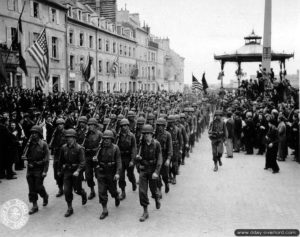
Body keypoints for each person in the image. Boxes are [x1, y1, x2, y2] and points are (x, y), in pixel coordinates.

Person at [58, 129, 87, 217]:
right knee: (67, 190)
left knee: (77, 190)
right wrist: (59, 170)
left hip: (76, 172)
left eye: (71, 137)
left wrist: (78, 171)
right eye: (67, 137)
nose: (69, 139)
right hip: (67, 171)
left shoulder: (79, 148)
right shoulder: (63, 148)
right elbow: (60, 161)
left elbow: (82, 162)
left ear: (74, 138)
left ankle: (83, 194)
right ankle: (70, 208)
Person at [136, 124, 162, 222]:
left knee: (153, 189)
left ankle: (156, 198)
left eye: (148, 133)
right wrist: (138, 161)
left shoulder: (156, 144)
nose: (146, 135)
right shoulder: (141, 145)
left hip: (152, 170)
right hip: (144, 169)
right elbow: (137, 157)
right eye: (145, 133)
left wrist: (156, 172)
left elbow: (159, 159)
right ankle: (145, 211)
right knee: (142, 191)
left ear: (152, 134)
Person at [93, 130, 122, 220]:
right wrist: (95, 161)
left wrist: (117, 173)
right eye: (105, 139)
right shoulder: (99, 148)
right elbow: (95, 160)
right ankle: (105, 210)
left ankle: (116, 196)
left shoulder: (115, 148)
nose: (106, 141)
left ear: (112, 139)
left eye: (108, 139)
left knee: (112, 190)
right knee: (102, 192)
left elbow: (118, 161)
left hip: (111, 172)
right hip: (101, 171)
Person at [25, 125, 49, 215]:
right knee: (31, 188)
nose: (33, 135)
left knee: (38, 186)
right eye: (32, 133)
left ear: (39, 134)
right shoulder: (29, 144)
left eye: (35, 133)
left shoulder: (43, 144)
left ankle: (44, 195)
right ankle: (34, 206)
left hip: (39, 168)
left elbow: (46, 159)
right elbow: (24, 155)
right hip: (30, 168)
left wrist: (45, 171)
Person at [117, 118, 137, 200]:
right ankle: (123, 192)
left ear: (128, 126)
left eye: (126, 125)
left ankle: (133, 182)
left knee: (130, 175)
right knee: (121, 176)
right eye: (122, 126)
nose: (124, 127)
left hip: (129, 157)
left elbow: (134, 148)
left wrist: (132, 160)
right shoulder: (118, 136)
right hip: (121, 157)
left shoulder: (132, 136)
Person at [84, 118, 102, 199]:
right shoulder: (86, 134)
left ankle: (102, 190)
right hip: (88, 156)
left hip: (97, 157)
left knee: (99, 175)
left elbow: (102, 146)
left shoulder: (100, 134)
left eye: (91, 125)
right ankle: (92, 191)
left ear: (95, 125)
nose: (90, 126)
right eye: (89, 125)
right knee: (88, 175)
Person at [155, 118, 172, 196]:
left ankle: (166, 183)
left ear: (164, 126)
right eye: (158, 125)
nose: (160, 127)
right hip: (156, 157)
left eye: (161, 125)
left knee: (165, 175)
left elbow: (170, 147)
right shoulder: (154, 134)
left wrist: (168, 159)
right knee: (157, 174)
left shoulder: (168, 134)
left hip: (164, 156)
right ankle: (159, 190)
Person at [50, 118, 66, 197]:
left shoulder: (66, 133)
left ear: (63, 125)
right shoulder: (55, 133)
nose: (59, 126)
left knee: (65, 172)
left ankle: (66, 187)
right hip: (56, 155)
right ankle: (60, 189)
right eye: (58, 124)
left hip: (64, 155)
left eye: (61, 124)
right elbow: (51, 144)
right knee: (56, 172)